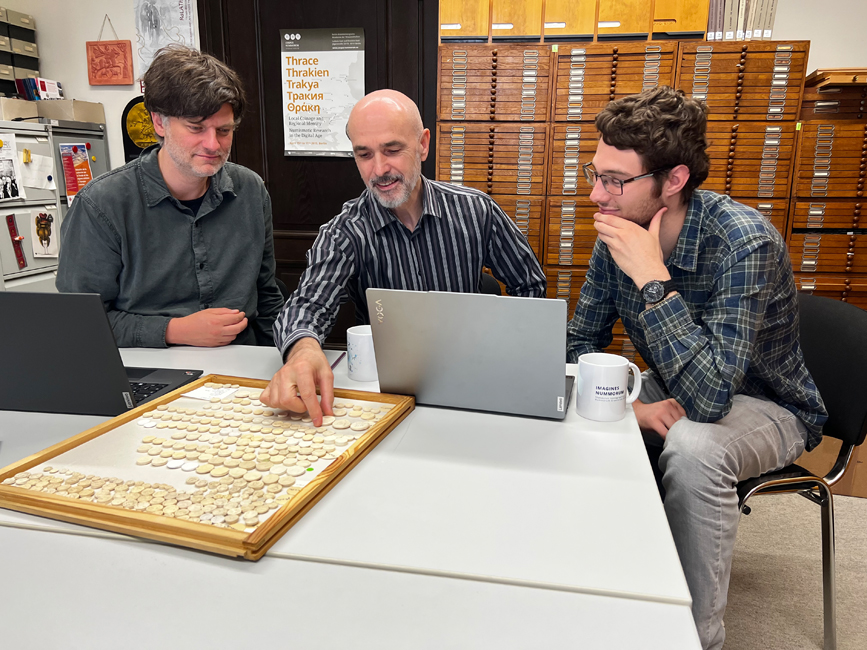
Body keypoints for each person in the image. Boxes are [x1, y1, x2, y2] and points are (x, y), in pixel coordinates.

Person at [565, 87, 827, 650]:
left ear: (674, 179)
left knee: (694, 449)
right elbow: (578, 346)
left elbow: (711, 403)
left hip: (769, 404)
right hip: (681, 386)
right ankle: (603, 597)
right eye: (594, 173)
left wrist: (652, 282)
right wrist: (628, 406)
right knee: (587, 413)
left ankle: (692, 637)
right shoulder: (618, 231)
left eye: (614, 180)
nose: (595, 195)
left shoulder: (743, 241)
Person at [262, 89, 546, 421]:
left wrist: (502, 347)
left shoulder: (476, 210)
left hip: (472, 378)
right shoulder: (345, 231)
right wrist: (303, 351)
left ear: (423, 144)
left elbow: (529, 287)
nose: (379, 169)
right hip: (385, 393)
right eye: (364, 154)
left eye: (393, 150)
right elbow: (306, 306)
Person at [57, 45, 283, 348]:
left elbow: (267, 295)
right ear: (159, 123)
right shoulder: (102, 204)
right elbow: (78, 322)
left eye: (224, 130)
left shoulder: (250, 190)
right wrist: (173, 330)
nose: (213, 144)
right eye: (196, 128)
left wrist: (291, 355)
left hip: (241, 363)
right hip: (148, 366)